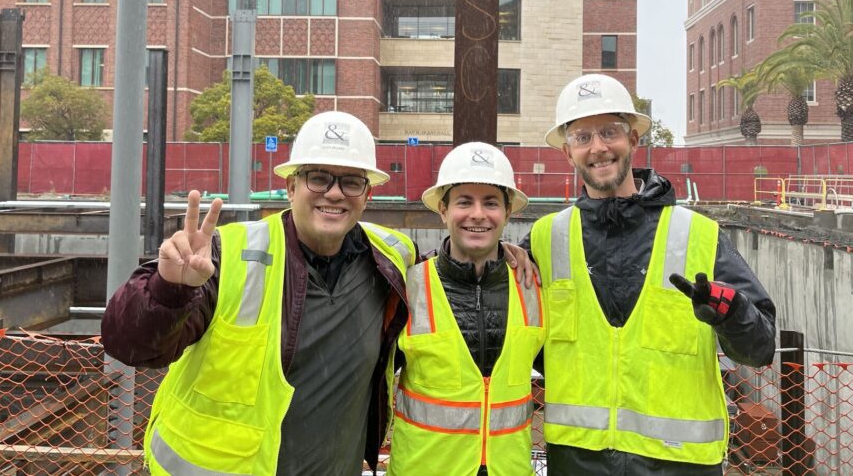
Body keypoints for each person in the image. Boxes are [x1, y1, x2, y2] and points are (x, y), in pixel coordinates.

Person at [102, 111, 417, 476]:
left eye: (351, 182)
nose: (333, 192)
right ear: (291, 187)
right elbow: (130, 344)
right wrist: (169, 290)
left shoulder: (392, 258)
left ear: (367, 195)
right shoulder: (226, 255)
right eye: (318, 178)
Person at [524, 74, 777, 475]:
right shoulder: (543, 240)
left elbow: (760, 350)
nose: (598, 148)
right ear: (568, 152)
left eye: (610, 132)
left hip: (679, 465)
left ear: (634, 141)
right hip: (577, 462)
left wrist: (733, 315)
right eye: (582, 137)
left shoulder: (697, 236)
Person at [389, 142, 545, 476]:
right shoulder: (408, 288)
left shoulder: (532, 288)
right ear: (443, 210)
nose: (477, 214)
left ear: (507, 213)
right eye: (464, 202)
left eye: (490, 203)